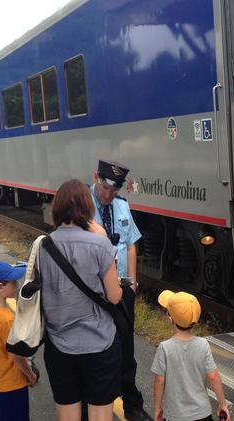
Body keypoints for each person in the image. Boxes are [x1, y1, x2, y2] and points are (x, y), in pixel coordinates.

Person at [40, 179, 124, 421]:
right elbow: (114, 296)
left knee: (67, 414)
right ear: (87, 208)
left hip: (59, 345)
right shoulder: (100, 244)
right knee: (99, 413)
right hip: (99, 343)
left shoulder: (44, 246)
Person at [90, 159, 149, 421]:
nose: (108, 194)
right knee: (97, 349)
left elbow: (131, 245)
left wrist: (133, 284)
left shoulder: (122, 206)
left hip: (123, 288)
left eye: (114, 190)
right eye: (104, 188)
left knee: (126, 349)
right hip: (94, 291)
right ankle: (95, 401)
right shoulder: (82, 207)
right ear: (96, 178)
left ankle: (132, 406)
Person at [151, 290, 230, 421]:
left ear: (170, 319)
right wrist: (222, 404)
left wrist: (157, 408)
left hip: (175, 415)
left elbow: (159, 381)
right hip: (202, 414)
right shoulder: (203, 344)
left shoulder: (165, 347)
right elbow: (213, 376)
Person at [0, 261, 39, 421]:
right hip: (13, 384)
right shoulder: (7, 320)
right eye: (13, 282)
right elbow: (17, 356)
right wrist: (30, 375)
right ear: (1, 287)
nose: (17, 284)